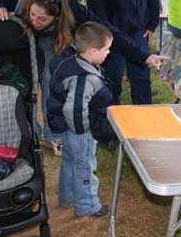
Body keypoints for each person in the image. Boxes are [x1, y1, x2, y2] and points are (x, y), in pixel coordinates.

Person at [0, 0, 167, 156]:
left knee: (50, 77)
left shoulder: (70, 7)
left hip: (50, 38)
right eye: (33, 15)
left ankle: (54, 135)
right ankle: (30, 133)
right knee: (23, 80)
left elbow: (107, 32)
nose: (36, 21)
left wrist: (143, 56)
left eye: (43, 19)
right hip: (23, 37)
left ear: (56, 17)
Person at [47, 21, 116, 218]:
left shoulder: (73, 62)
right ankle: (87, 205)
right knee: (84, 166)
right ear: (93, 51)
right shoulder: (84, 77)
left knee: (70, 161)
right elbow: (74, 109)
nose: (108, 53)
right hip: (79, 130)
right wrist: (83, 130)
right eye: (106, 49)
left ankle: (67, 197)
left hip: (68, 130)